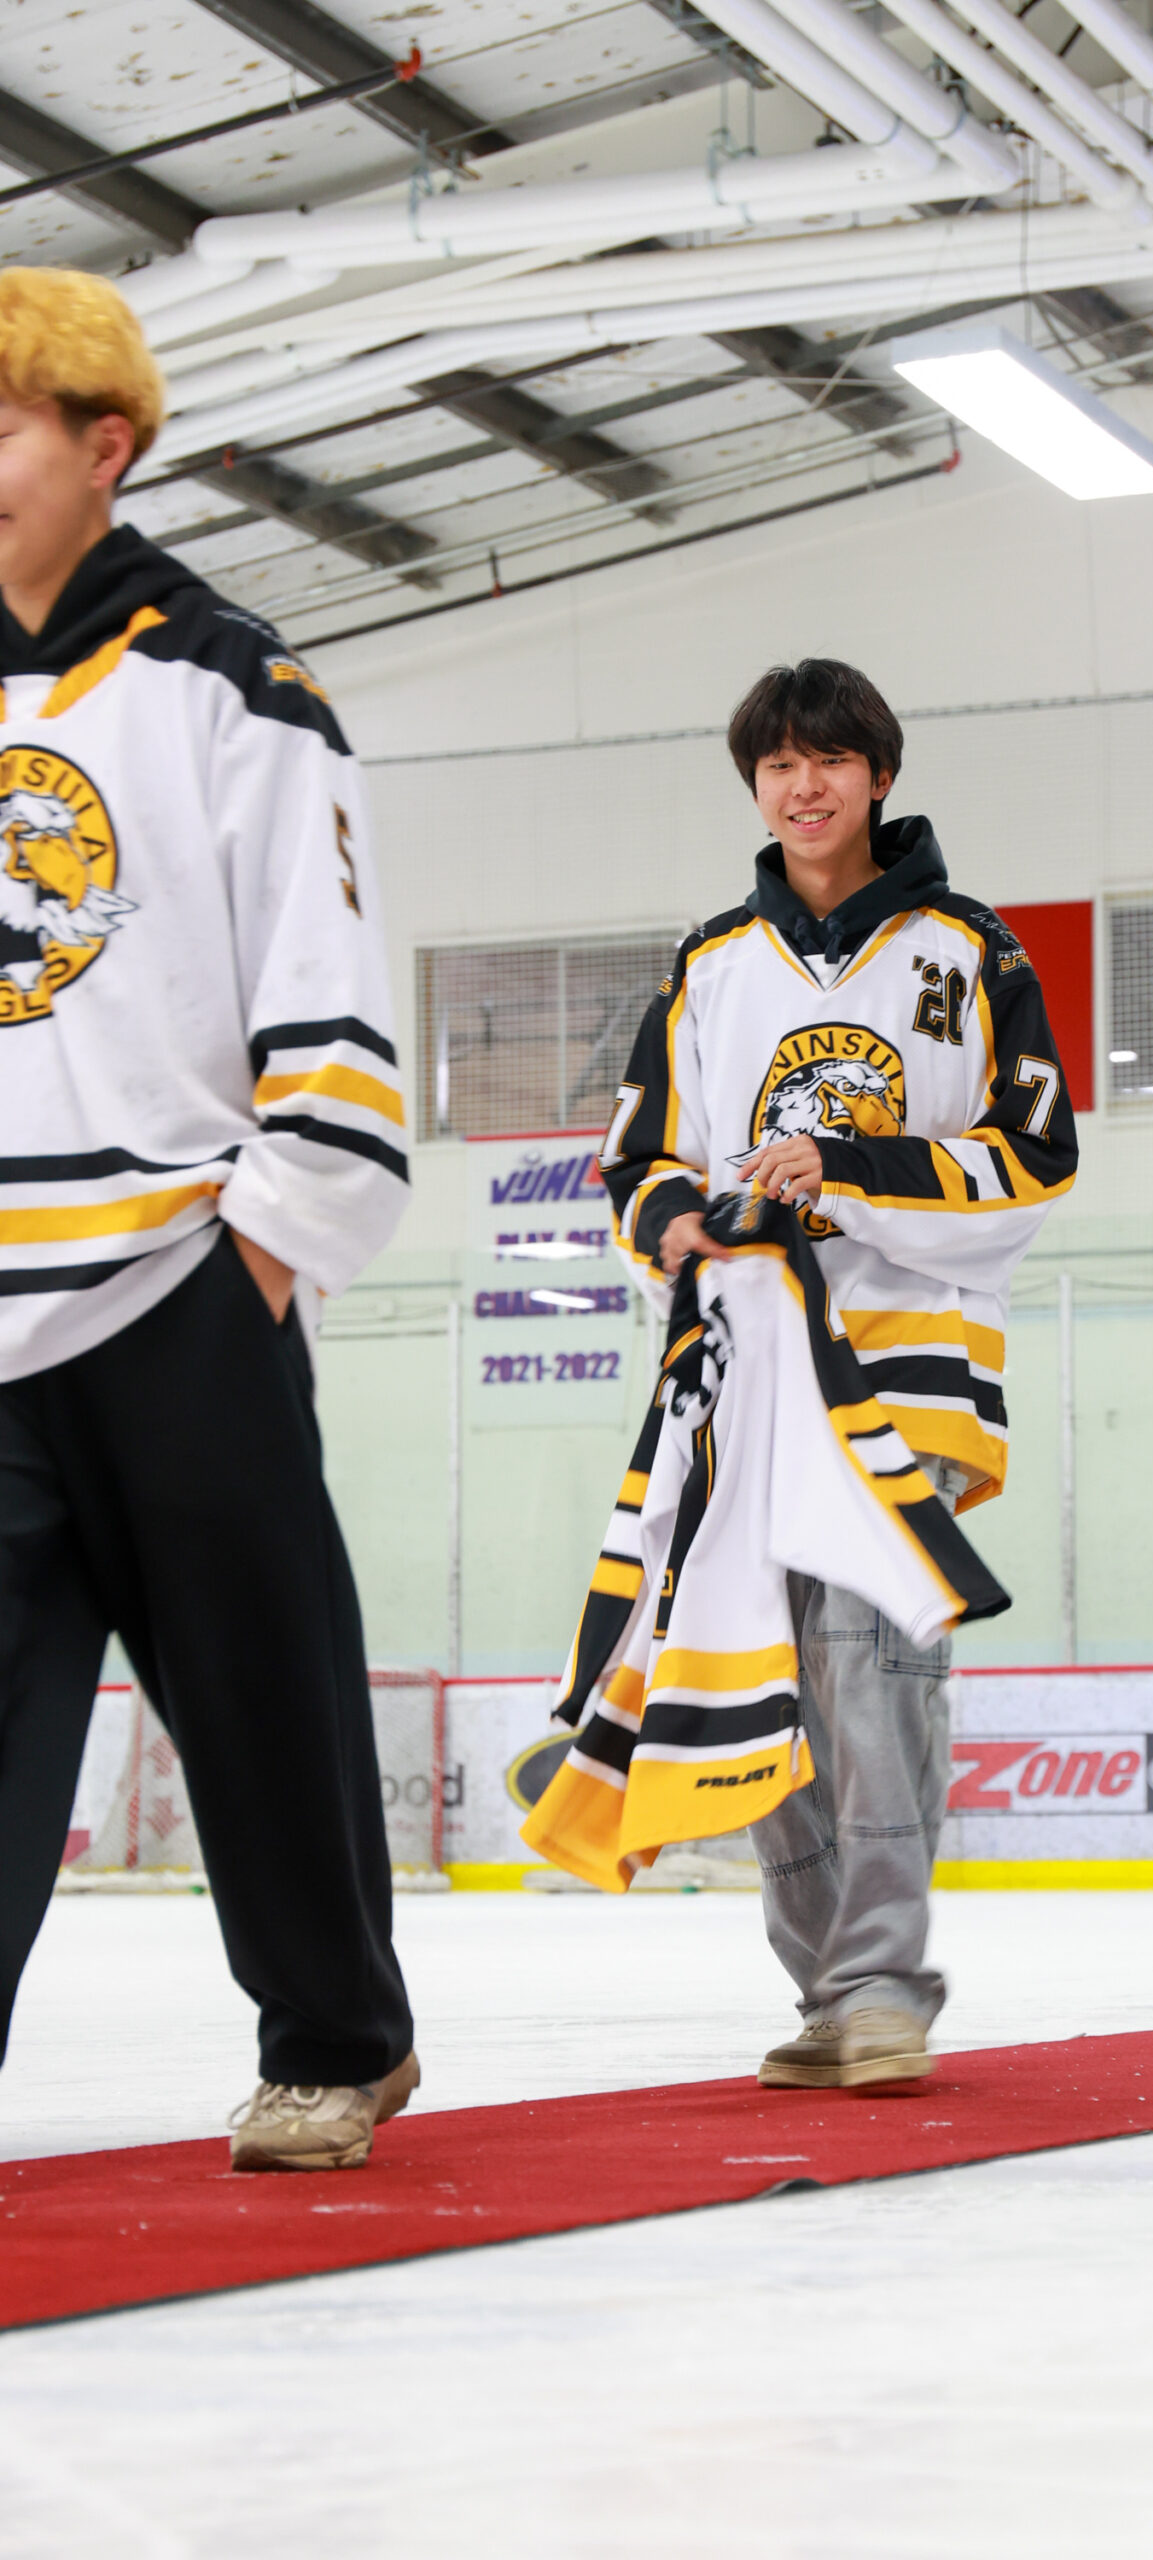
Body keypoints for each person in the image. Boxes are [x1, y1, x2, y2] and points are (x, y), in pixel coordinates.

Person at [0, 267, 418, 2171]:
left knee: (261, 1699)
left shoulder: (237, 682)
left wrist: (257, 1252)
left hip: (177, 1279)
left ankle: (336, 2042)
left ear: (106, 445)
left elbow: (322, 981)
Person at [602, 657, 1077, 2086]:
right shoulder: (709, 963)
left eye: (830, 761)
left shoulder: (970, 949)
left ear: (879, 774)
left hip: (907, 1377)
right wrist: (675, 1226)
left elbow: (1035, 1159)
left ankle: (880, 1985)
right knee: (757, 1679)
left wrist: (846, 1169)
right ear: (756, 786)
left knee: (870, 1675)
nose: (804, 787)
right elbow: (640, 1159)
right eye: (778, 766)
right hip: (750, 1379)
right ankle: (833, 1992)